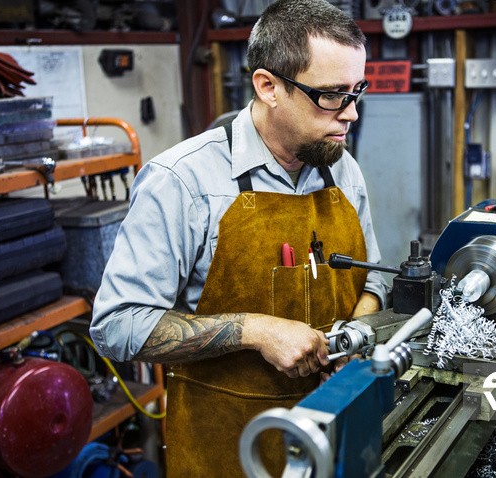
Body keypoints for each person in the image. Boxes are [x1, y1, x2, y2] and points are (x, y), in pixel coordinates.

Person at [90, 0, 390, 475]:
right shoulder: (182, 181)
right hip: (227, 451)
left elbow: (375, 280)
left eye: (357, 91)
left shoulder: (341, 167)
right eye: (331, 95)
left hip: (338, 436)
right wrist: (256, 330)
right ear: (268, 87)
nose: (350, 114)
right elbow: (116, 326)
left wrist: (355, 338)